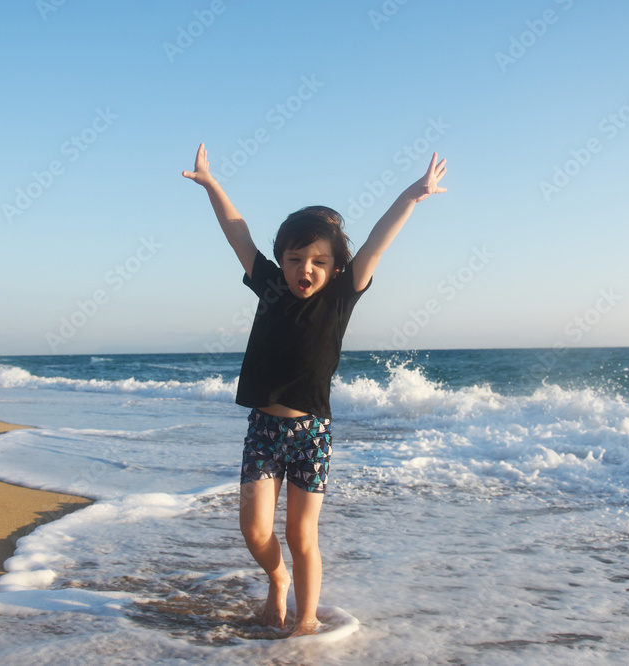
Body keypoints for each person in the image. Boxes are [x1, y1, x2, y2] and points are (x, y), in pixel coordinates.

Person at [182, 142, 447, 636]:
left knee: (302, 534)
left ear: (336, 266)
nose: (306, 269)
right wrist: (212, 184)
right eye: (295, 258)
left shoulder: (342, 296)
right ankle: (276, 578)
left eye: (319, 261)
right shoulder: (271, 286)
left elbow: (375, 244)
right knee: (255, 530)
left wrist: (413, 195)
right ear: (280, 260)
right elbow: (237, 233)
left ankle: (305, 620)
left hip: (312, 433)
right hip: (264, 428)